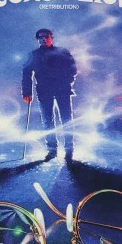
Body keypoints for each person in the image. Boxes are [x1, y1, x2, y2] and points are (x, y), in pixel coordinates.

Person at [22, 28, 78, 161]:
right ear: (38, 40)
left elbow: (73, 68)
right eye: (40, 37)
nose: (43, 39)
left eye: (46, 36)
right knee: (48, 121)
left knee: (66, 119)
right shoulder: (34, 55)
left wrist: (67, 81)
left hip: (62, 89)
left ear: (51, 37)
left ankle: (69, 149)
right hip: (44, 90)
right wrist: (27, 92)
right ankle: (52, 150)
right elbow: (26, 74)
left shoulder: (62, 52)